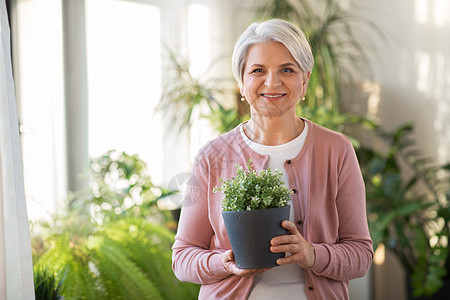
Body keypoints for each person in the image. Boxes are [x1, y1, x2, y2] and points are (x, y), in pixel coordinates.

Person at [172, 18, 373, 299]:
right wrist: (225, 262)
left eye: (287, 70)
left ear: (305, 80)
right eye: (258, 70)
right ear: (241, 82)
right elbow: (182, 259)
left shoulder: (336, 150)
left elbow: (361, 255)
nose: (272, 82)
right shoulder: (212, 157)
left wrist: (312, 254)